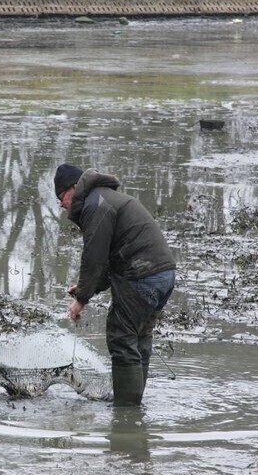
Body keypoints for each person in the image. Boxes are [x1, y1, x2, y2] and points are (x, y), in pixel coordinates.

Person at [54, 163, 175, 407]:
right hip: (164, 275)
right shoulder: (104, 198)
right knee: (139, 339)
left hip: (142, 275)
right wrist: (87, 288)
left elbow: (94, 256)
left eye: (61, 196)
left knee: (121, 338)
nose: (61, 204)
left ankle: (126, 411)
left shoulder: (95, 205)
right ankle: (133, 401)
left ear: (74, 188)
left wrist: (81, 300)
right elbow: (112, 260)